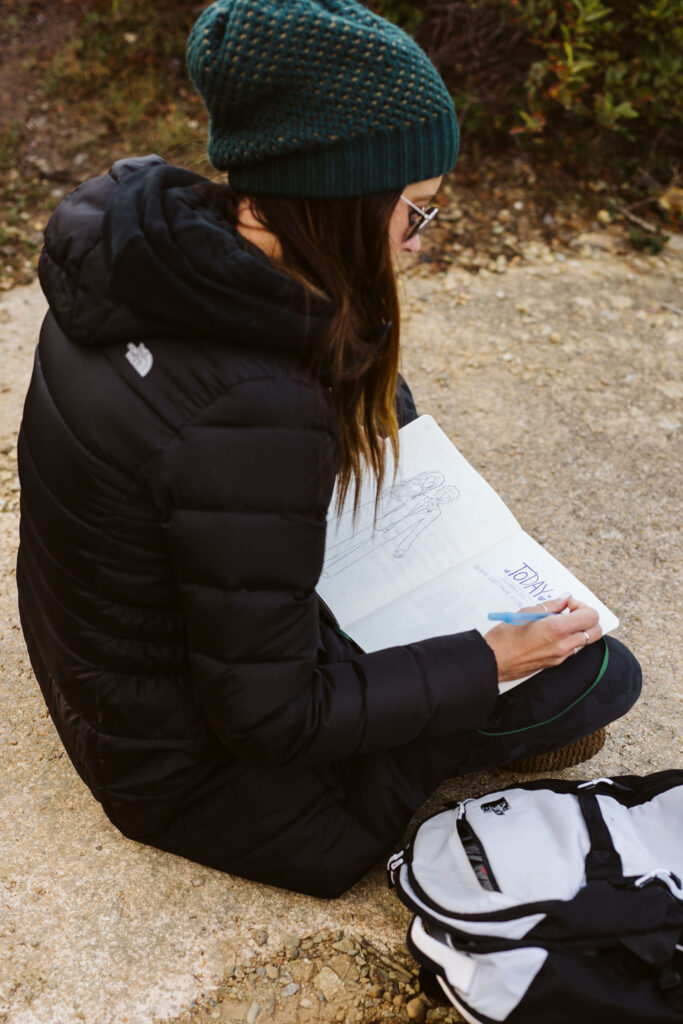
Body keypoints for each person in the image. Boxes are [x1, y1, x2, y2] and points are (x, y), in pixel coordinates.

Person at [16, 0, 641, 898]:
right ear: (345, 203)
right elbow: (272, 720)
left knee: (383, 399)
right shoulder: (252, 414)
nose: (419, 245)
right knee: (590, 676)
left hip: (101, 660)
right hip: (184, 769)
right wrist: (489, 662)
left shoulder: (137, 253)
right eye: (416, 215)